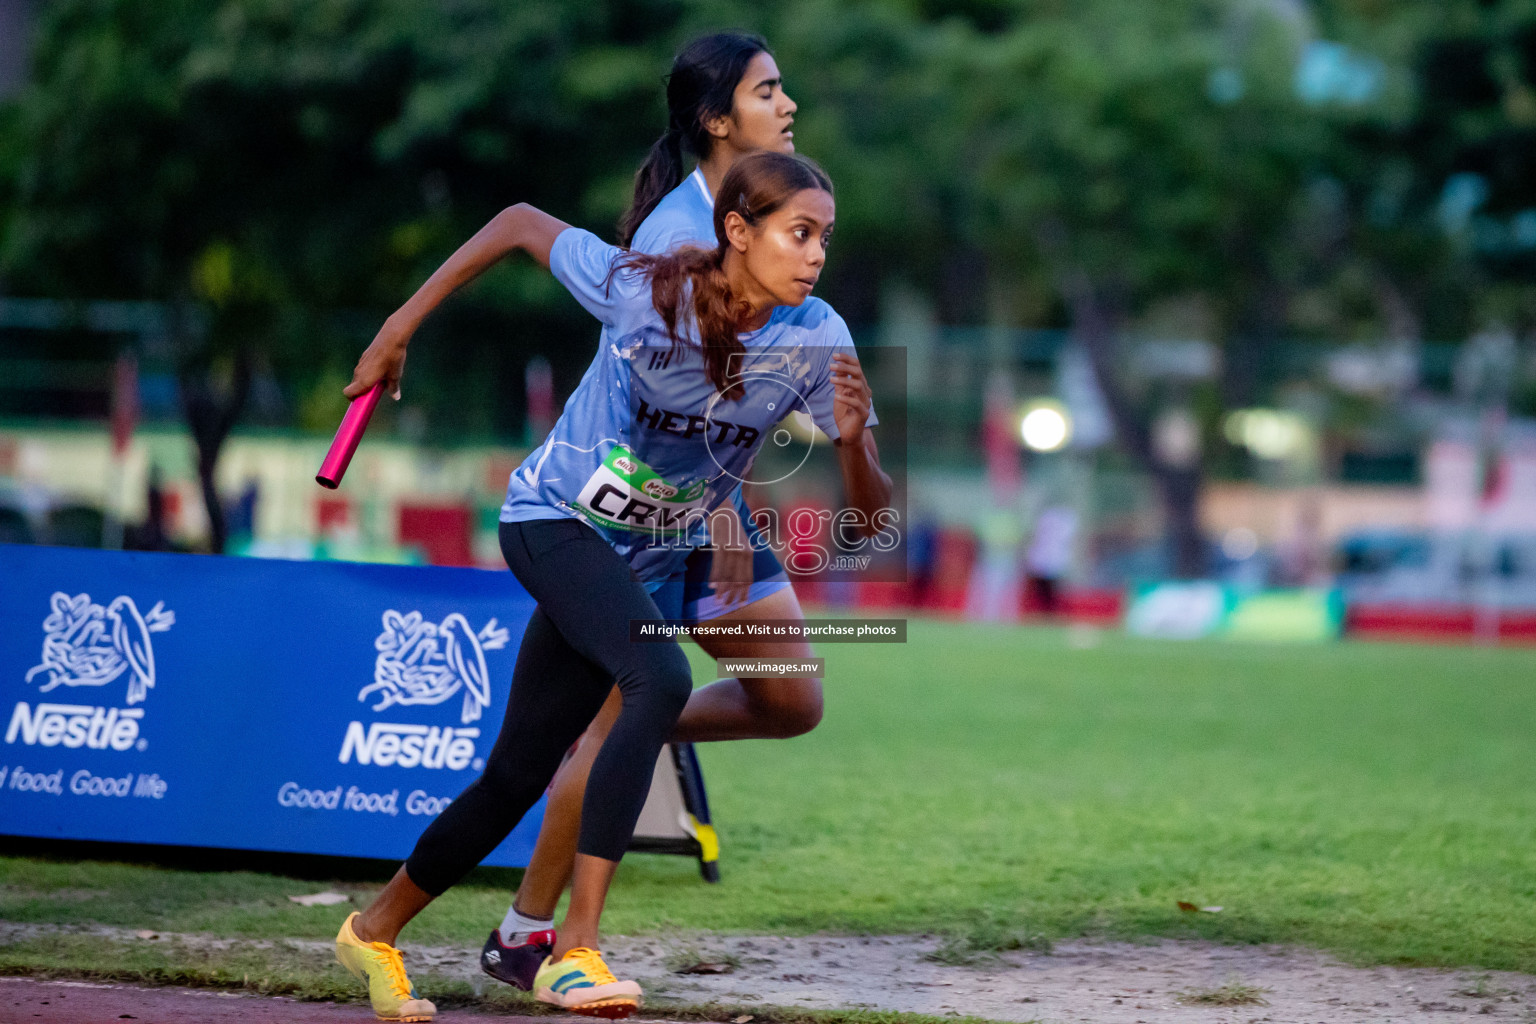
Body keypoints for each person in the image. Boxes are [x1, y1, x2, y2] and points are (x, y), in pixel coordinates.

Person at [333, 151, 890, 1023]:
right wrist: (395, 329)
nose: (817, 254)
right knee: (658, 682)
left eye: (824, 237)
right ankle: (572, 950)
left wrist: (853, 442)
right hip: (554, 523)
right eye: (799, 232)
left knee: (517, 773)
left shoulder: (818, 338)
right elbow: (518, 219)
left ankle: (373, 929)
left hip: (650, 554)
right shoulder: (643, 290)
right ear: (738, 232)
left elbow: (867, 525)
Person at [479, 31, 862, 991]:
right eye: (770, 90)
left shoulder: (772, 215)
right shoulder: (669, 241)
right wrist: (721, 514)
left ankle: (625, 737)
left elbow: (757, 404)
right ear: (716, 119)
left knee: (790, 700)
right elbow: (662, 409)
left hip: (712, 506)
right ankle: (537, 936)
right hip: (638, 522)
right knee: (630, 704)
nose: (790, 104)